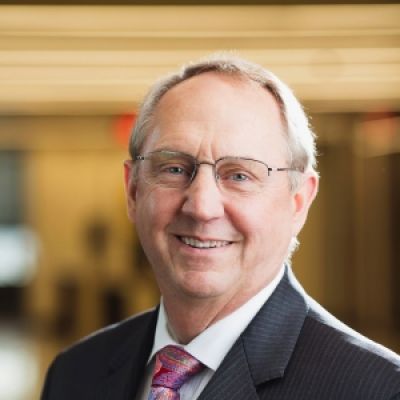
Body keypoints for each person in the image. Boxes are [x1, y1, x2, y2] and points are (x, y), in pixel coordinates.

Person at [41, 54, 400, 400]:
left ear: (298, 202)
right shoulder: (74, 373)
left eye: (239, 175)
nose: (201, 207)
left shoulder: (377, 389)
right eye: (174, 169)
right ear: (133, 191)